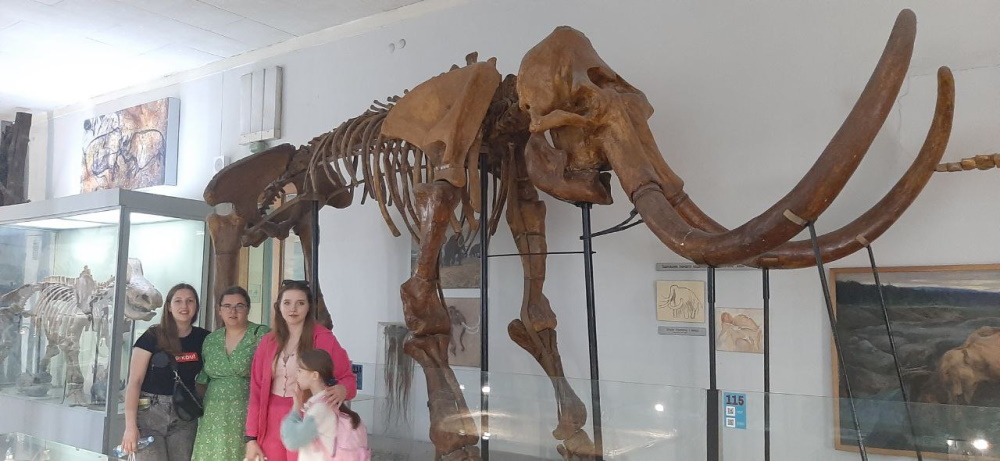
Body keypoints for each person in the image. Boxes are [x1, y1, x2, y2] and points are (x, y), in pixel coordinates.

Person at [245, 280, 357, 461]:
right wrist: (251, 437)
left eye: (300, 303)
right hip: (270, 417)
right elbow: (256, 390)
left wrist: (343, 389)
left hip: (307, 415)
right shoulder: (268, 342)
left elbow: (348, 379)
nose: (293, 309)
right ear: (278, 306)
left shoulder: (324, 339)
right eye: (287, 303)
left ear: (309, 307)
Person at [121, 283, 211, 461]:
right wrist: (130, 427)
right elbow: (134, 382)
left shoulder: (204, 338)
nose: (184, 306)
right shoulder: (152, 336)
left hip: (184, 415)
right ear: (169, 306)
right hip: (149, 415)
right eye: (178, 301)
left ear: (196, 306)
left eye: (190, 301)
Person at [191, 286, 270, 461]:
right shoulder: (211, 340)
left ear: (248, 309)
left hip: (246, 410)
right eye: (227, 306)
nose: (233, 311)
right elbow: (203, 379)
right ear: (219, 310)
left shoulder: (261, 334)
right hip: (213, 414)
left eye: (239, 306)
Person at [280, 349, 370, 461]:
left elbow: (292, 441)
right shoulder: (324, 404)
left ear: (314, 375)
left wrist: (296, 408)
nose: (296, 375)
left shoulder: (320, 409)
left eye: (300, 371)